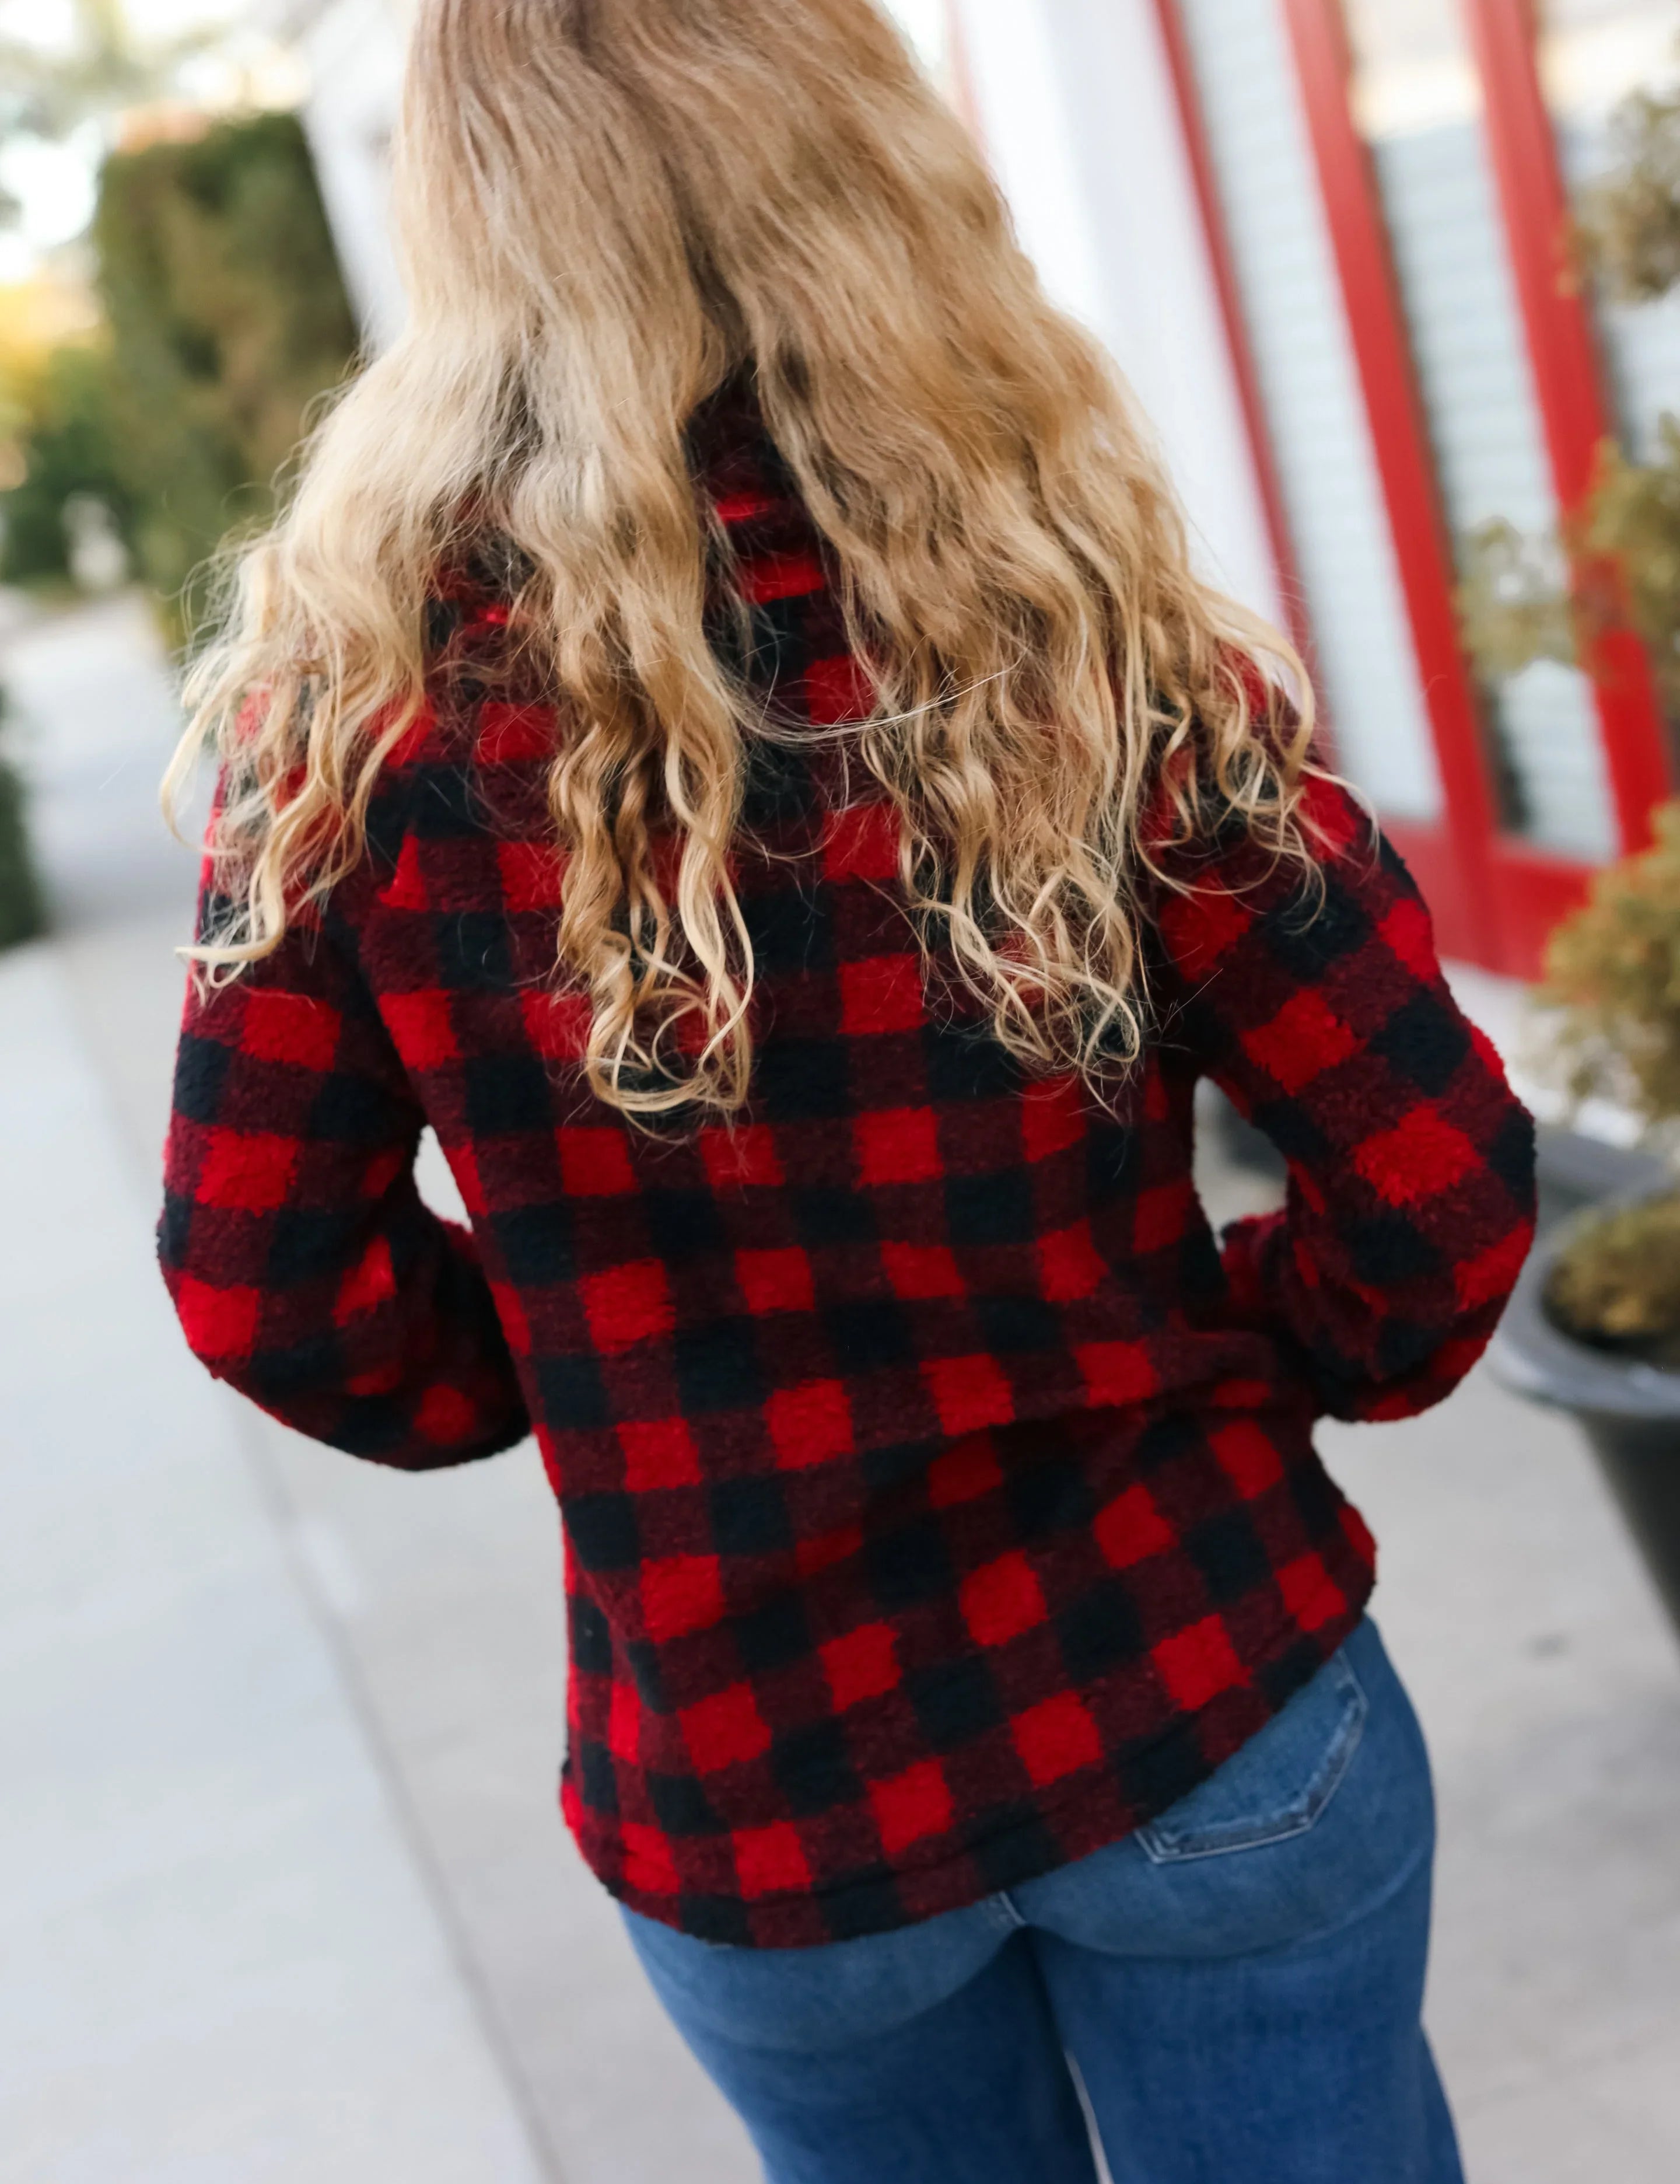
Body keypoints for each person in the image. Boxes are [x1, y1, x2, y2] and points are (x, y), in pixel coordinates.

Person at [157, 2, 1535, 2176]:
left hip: (757, 1791)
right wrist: (1248, 1359)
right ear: (857, 159)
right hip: (1194, 1684)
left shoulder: (360, 719)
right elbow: (1441, 1180)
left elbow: (262, 1285)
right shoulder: (1066, 624)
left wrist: (577, 1387)